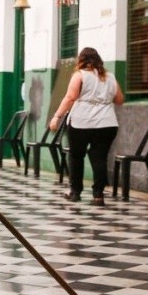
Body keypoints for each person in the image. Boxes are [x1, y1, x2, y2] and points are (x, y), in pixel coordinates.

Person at [49, 47, 123, 206]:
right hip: (107, 123)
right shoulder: (110, 77)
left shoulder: (80, 75)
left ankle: (75, 192)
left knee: (76, 156)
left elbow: (70, 97)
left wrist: (57, 116)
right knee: (99, 158)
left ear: (81, 60)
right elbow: (119, 100)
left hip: (82, 122)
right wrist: (103, 97)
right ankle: (98, 195)